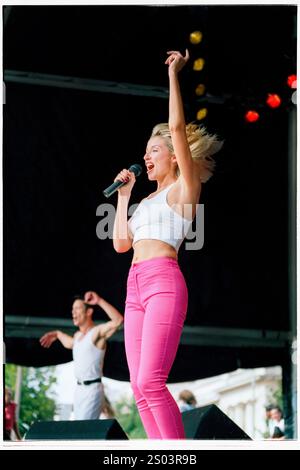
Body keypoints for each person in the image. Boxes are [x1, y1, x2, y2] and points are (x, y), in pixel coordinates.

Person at [112, 49, 222, 439]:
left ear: (174, 158)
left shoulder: (184, 189)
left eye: (154, 149)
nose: (147, 154)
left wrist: (175, 74)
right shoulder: (143, 202)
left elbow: (176, 128)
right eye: (146, 149)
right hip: (134, 286)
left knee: (151, 381)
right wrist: (124, 197)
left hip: (163, 282)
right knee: (139, 388)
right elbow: (121, 246)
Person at [40, 292, 123, 420]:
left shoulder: (96, 332)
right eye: (72, 309)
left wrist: (99, 300)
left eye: (77, 308)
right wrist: (57, 334)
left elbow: (118, 321)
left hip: (93, 389)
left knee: (84, 428)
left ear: (89, 312)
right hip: (79, 390)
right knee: (79, 426)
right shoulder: (78, 336)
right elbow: (70, 343)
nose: (73, 312)